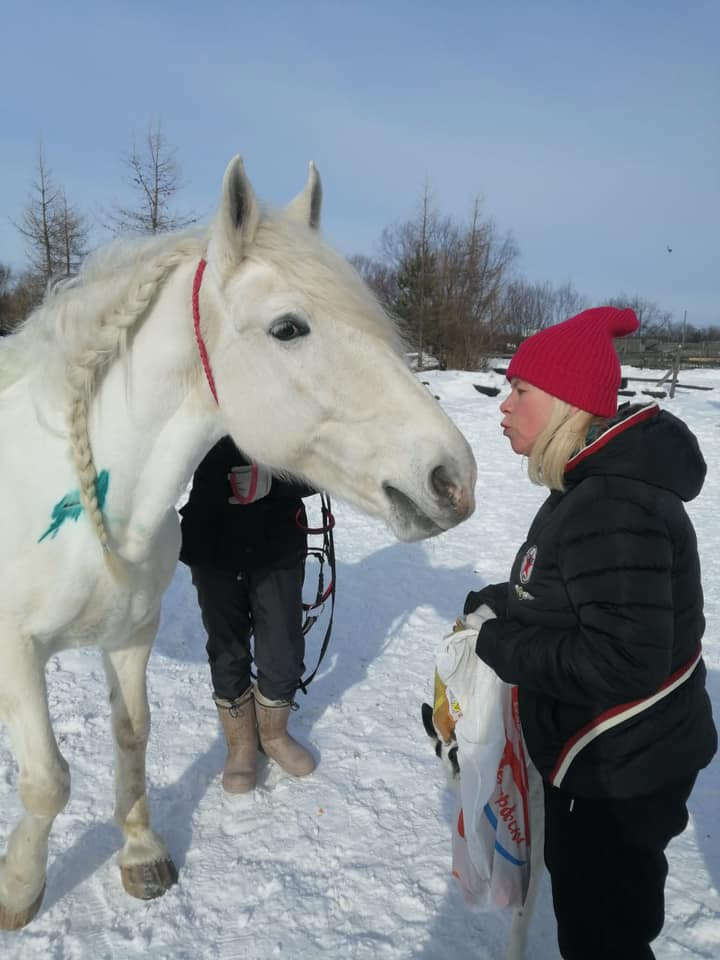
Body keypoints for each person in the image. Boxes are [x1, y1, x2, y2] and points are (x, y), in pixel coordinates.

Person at [465, 306, 717, 960]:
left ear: (565, 402)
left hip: (619, 776)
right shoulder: (590, 488)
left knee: (604, 938)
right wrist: (501, 601)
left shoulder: (612, 503)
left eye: (521, 391)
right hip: (610, 761)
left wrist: (503, 647)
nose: (504, 404)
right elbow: (571, 589)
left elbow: (623, 660)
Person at [179, 436, 317, 794]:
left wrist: (275, 482)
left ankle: (273, 735)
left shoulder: (292, 387)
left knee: (283, 646)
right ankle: (240, 745)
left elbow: (329, 464)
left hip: (277, 541)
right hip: (213, 539)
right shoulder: (194, 386)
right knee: (226, 646)